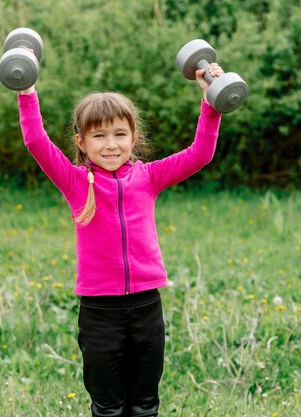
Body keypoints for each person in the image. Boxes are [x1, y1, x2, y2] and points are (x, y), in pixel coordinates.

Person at [16, 59, 223, 416]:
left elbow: (200, 154)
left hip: (146, 307)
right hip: (99, 313)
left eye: (119, 135)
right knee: (108, 406)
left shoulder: (149, 177)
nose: (110, 145)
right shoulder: (75, 182)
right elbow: (36, 140)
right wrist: (26, 88)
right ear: (81, 142)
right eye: (99, 136)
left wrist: (211, 101)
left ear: (133, 138)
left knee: (144, 405)